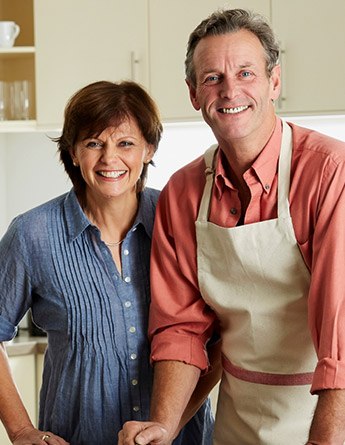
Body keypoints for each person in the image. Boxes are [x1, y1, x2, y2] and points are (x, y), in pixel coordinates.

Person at [119, 8, 345, 445]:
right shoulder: (183, 192)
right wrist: (163, 426)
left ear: (274, 82)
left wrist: (327, 437)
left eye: (245, 73)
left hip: (329, 411)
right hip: (238, 416)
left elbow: (342, 326)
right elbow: (182, 330)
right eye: (212, 78)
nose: (229, 91)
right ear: (193, 93)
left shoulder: (329, 172)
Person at [0, 80, 217, 444]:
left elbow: (223, 338)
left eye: (125, 143)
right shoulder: (32, 234)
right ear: (72, 152)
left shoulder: (183, 221)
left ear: (149, 149)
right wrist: (20, 430)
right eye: (93, 143)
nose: (109, 159)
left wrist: (171, 424)